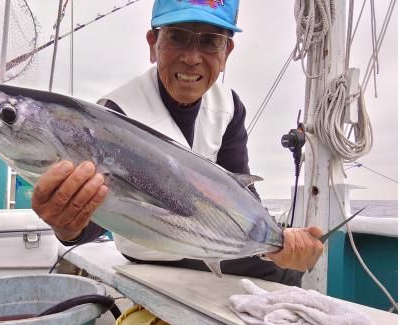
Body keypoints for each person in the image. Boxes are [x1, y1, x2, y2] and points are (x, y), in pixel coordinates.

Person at [32, 0, 324, 286]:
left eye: (210, 41)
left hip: (212, 244)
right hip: (151, 253)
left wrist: (281, 244)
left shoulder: (229, 106)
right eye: (177, 37)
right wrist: (67, 227)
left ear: (226, 53)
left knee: (286, 275)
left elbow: (241, 194)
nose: (192, 57)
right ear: (153, 43)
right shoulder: (114, 114)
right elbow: (99, 216)